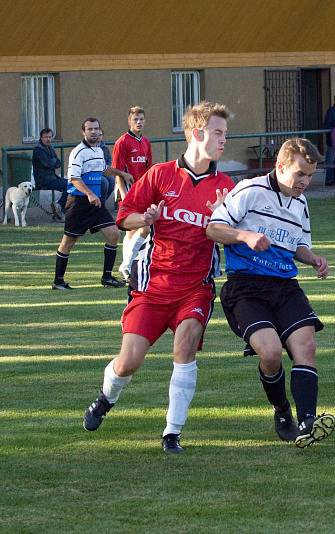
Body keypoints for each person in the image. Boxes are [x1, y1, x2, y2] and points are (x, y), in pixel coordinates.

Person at [81, 101, 235, 454]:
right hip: (153, 287)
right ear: (197, 134)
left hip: (195, 288)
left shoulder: (226, 186)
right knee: (128, 362)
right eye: (218, 133)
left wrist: (224, 220)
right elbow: (123, 217)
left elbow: (238, 235)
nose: (224, 140)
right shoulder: (160, 174)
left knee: (185, 346)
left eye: (225, 133)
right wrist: (145, 219)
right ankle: (106, 398)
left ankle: (172, 433)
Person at [206, 137, 335, 448]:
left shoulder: (301, 203)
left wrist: (312, 258)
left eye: (310, 176)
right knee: (271, 353)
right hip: (245, 287)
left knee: (306, 346)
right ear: (280, 167)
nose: (304, 182)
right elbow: (213, 227)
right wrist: (244, 235)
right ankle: (282, 412)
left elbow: (298, 245)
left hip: (284, 287)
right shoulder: (250, 190)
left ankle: (307, 422)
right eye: (299, 174)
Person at [52, 118, 132, 291]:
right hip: (79, 203)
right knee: (68, 242)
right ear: (83, 132)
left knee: (113, 234)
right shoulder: (78, 152)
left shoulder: (98, 150)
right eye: (90, 129)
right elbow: (74, 178)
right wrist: (89, 193)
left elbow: (103, 169)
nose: (94, 132)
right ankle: (58, 281)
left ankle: (107, 277)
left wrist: (122, 174)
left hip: (95, 203)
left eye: (96, 129)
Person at [113, 106, 153, 281]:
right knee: (144, 227)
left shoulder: (146, 142)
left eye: (141, 119)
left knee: (131, 232)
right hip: (128, 192)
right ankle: (127, 265)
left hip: (141, 191)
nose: (139, 122)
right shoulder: (122, 142)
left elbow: (149, 170)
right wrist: (124, 194)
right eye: (135, 119)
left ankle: (126, 267)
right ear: (129, 121)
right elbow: (117, 171)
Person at [32, 128, 67, 221]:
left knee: (73, 184)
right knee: (70, 185)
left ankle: (59, 207)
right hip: (43, 180)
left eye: (50, 137)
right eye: (45, 137)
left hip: (52, 178)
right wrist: (53, 161)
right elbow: (48, 164)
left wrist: (52, 162)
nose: (48, 139)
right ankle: (60, 209)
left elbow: (58, 163)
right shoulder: (38, 150)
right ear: (41, 138)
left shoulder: (50, 147)